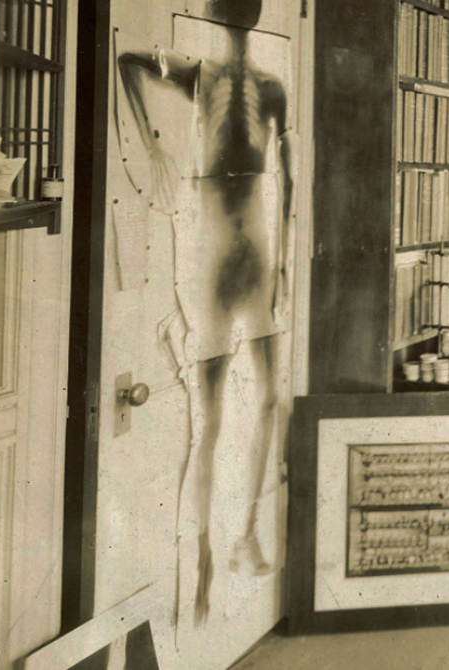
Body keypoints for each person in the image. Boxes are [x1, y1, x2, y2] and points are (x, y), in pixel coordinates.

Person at [118, 0, 291, 624]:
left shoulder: (270, 87)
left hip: (257, 245)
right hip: (219, 245)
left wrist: (286, 265)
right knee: (209, 414)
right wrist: (157, 149)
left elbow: (290, 181)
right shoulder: (203, 76)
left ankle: (243, 531)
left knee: (268, 400)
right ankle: (205, 562)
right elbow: (129, 60)